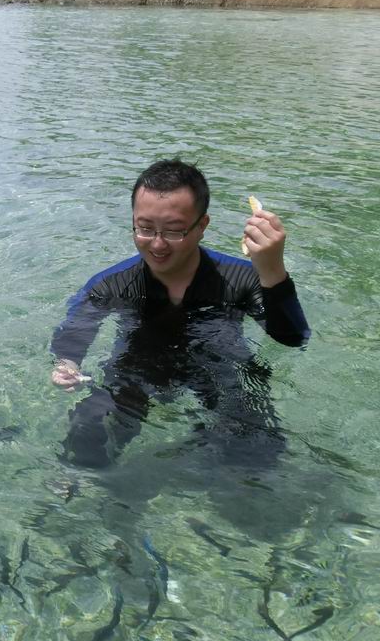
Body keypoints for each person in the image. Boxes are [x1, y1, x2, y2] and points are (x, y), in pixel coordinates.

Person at [50, 159, 310, 471]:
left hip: (217, 365)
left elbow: (292, 338)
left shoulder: (240, 279)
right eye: (145, 229)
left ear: (202, 225)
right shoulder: (113, 284)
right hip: (136, 367)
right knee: (86, 432)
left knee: (256, 451)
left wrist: (272, 271)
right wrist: (67, 363)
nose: (158, 244)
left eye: (174, 231)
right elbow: (76, 329)